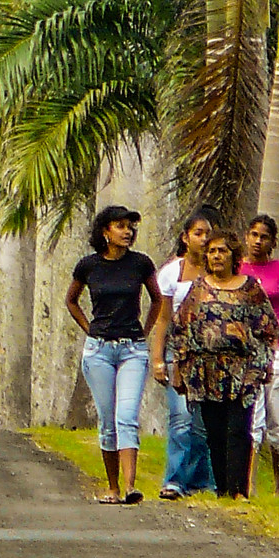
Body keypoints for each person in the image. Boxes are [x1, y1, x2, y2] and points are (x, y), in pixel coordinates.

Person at [170, 228, 279, 500]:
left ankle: (238, 490)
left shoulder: (250, 288)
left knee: (239, 429)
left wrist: (264, 363)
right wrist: (179, 367)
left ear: (234, 256)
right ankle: (222, 489)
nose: (217, 256)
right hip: (205, 371)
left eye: (223, 251)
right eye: (212, 251)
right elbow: (181, 328)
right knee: (215, 432)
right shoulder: (198, 288)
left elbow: (268, 328)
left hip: (242, 371)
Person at [67, 204, 165, 505]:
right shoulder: (89, 265)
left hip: (132, 349)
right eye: (120, 226)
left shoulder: (140, 264)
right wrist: (90, 329)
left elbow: (157, 299)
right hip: (99, 350)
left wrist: (144, 331)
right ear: (105, 231)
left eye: (129, 226)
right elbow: (71, 300)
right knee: (108, 420)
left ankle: (131, 486)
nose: (127, 232)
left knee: (126, 416)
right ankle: (111, 487)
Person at [149, 206, 220, 501]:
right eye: (198, 233)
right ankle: (174, 480)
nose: (203, 240)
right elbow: (162, 318)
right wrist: (157, 359)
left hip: (211, 357)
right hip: (178, 355)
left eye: (208, 234)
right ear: (185, 237)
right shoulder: (171, 273)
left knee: (203, 424)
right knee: (180, 418)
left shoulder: (221, 272)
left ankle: (203, 481)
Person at [240, 214, 279, 494]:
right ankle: (248, 483)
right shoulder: (237, 270)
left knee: (278, 418)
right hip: (248, 351)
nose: (257, 241)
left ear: (272, 242)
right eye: (253, 234)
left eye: (263, 236)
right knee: (253, 418)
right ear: (246, 237)